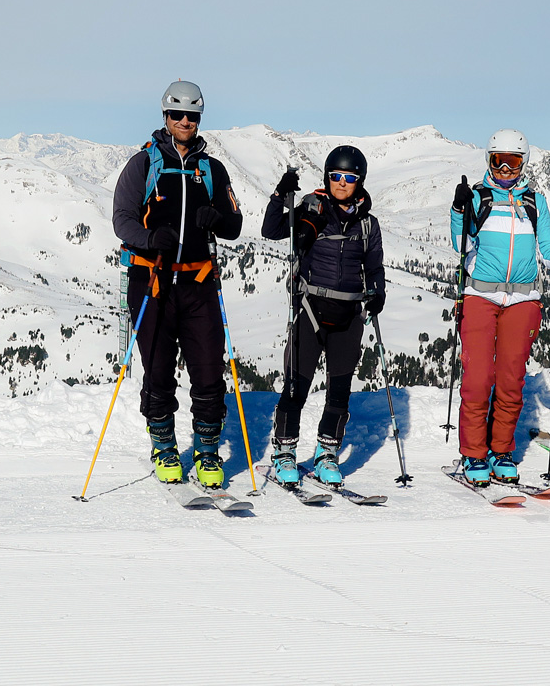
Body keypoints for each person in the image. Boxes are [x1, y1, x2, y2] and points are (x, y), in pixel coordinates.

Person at [110, 81, 245, 488]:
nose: (184, 121)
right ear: (165, 118)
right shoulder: (143, 164)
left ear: (199, 119)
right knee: (159, 369)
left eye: (192, 116)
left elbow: (235, 224)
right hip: (152, 281)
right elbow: (121, 218)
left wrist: (215, 218)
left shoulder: (211, 169)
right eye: (177, 115)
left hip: (198, 283)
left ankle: (207, 452)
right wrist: (151, 239)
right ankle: (164, 446)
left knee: (207, 372)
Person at [449, 129, 550, 486]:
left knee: (510, 381)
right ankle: (474, 454)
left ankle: (501, 449)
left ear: (524, 164)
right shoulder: (479, 198)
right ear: (489, 161)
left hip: (523, 300)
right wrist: (460, 208)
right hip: (480, 296)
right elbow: (458, 244)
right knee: (478, 381)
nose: (506, 169)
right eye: (499, 161)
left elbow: (549, 246)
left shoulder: (534, 202)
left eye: (514, 162)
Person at [261, 146, 386, 489]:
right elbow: (270, 229)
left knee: (339, 392)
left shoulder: (368, 225)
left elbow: (374, 266)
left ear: (359, 181)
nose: (342, 183)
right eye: (336, 176)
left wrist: (377, 293)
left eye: (349, 178)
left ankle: (327, 453)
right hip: (311, 310)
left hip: (349, 314)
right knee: (294, 387)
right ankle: (284, 452)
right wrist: (281, 195)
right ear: (327, 177)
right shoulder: (311, 209)